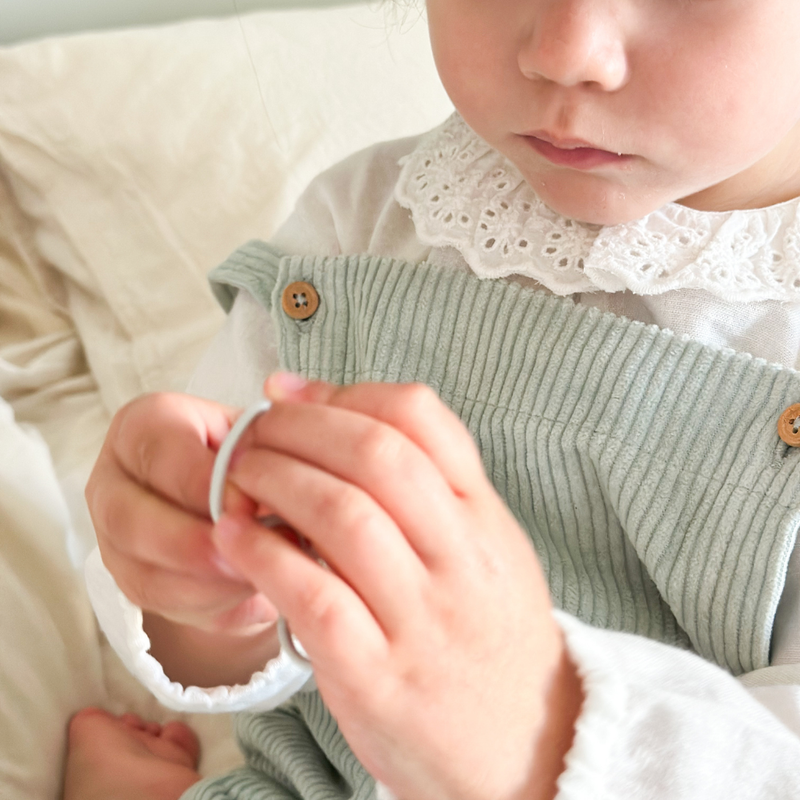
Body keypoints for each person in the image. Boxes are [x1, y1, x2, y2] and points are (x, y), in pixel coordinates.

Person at [64, 0, 800, 798]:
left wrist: (539, 728)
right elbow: (247, 639)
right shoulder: (369, 220)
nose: (564, 53)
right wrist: (201, 590)